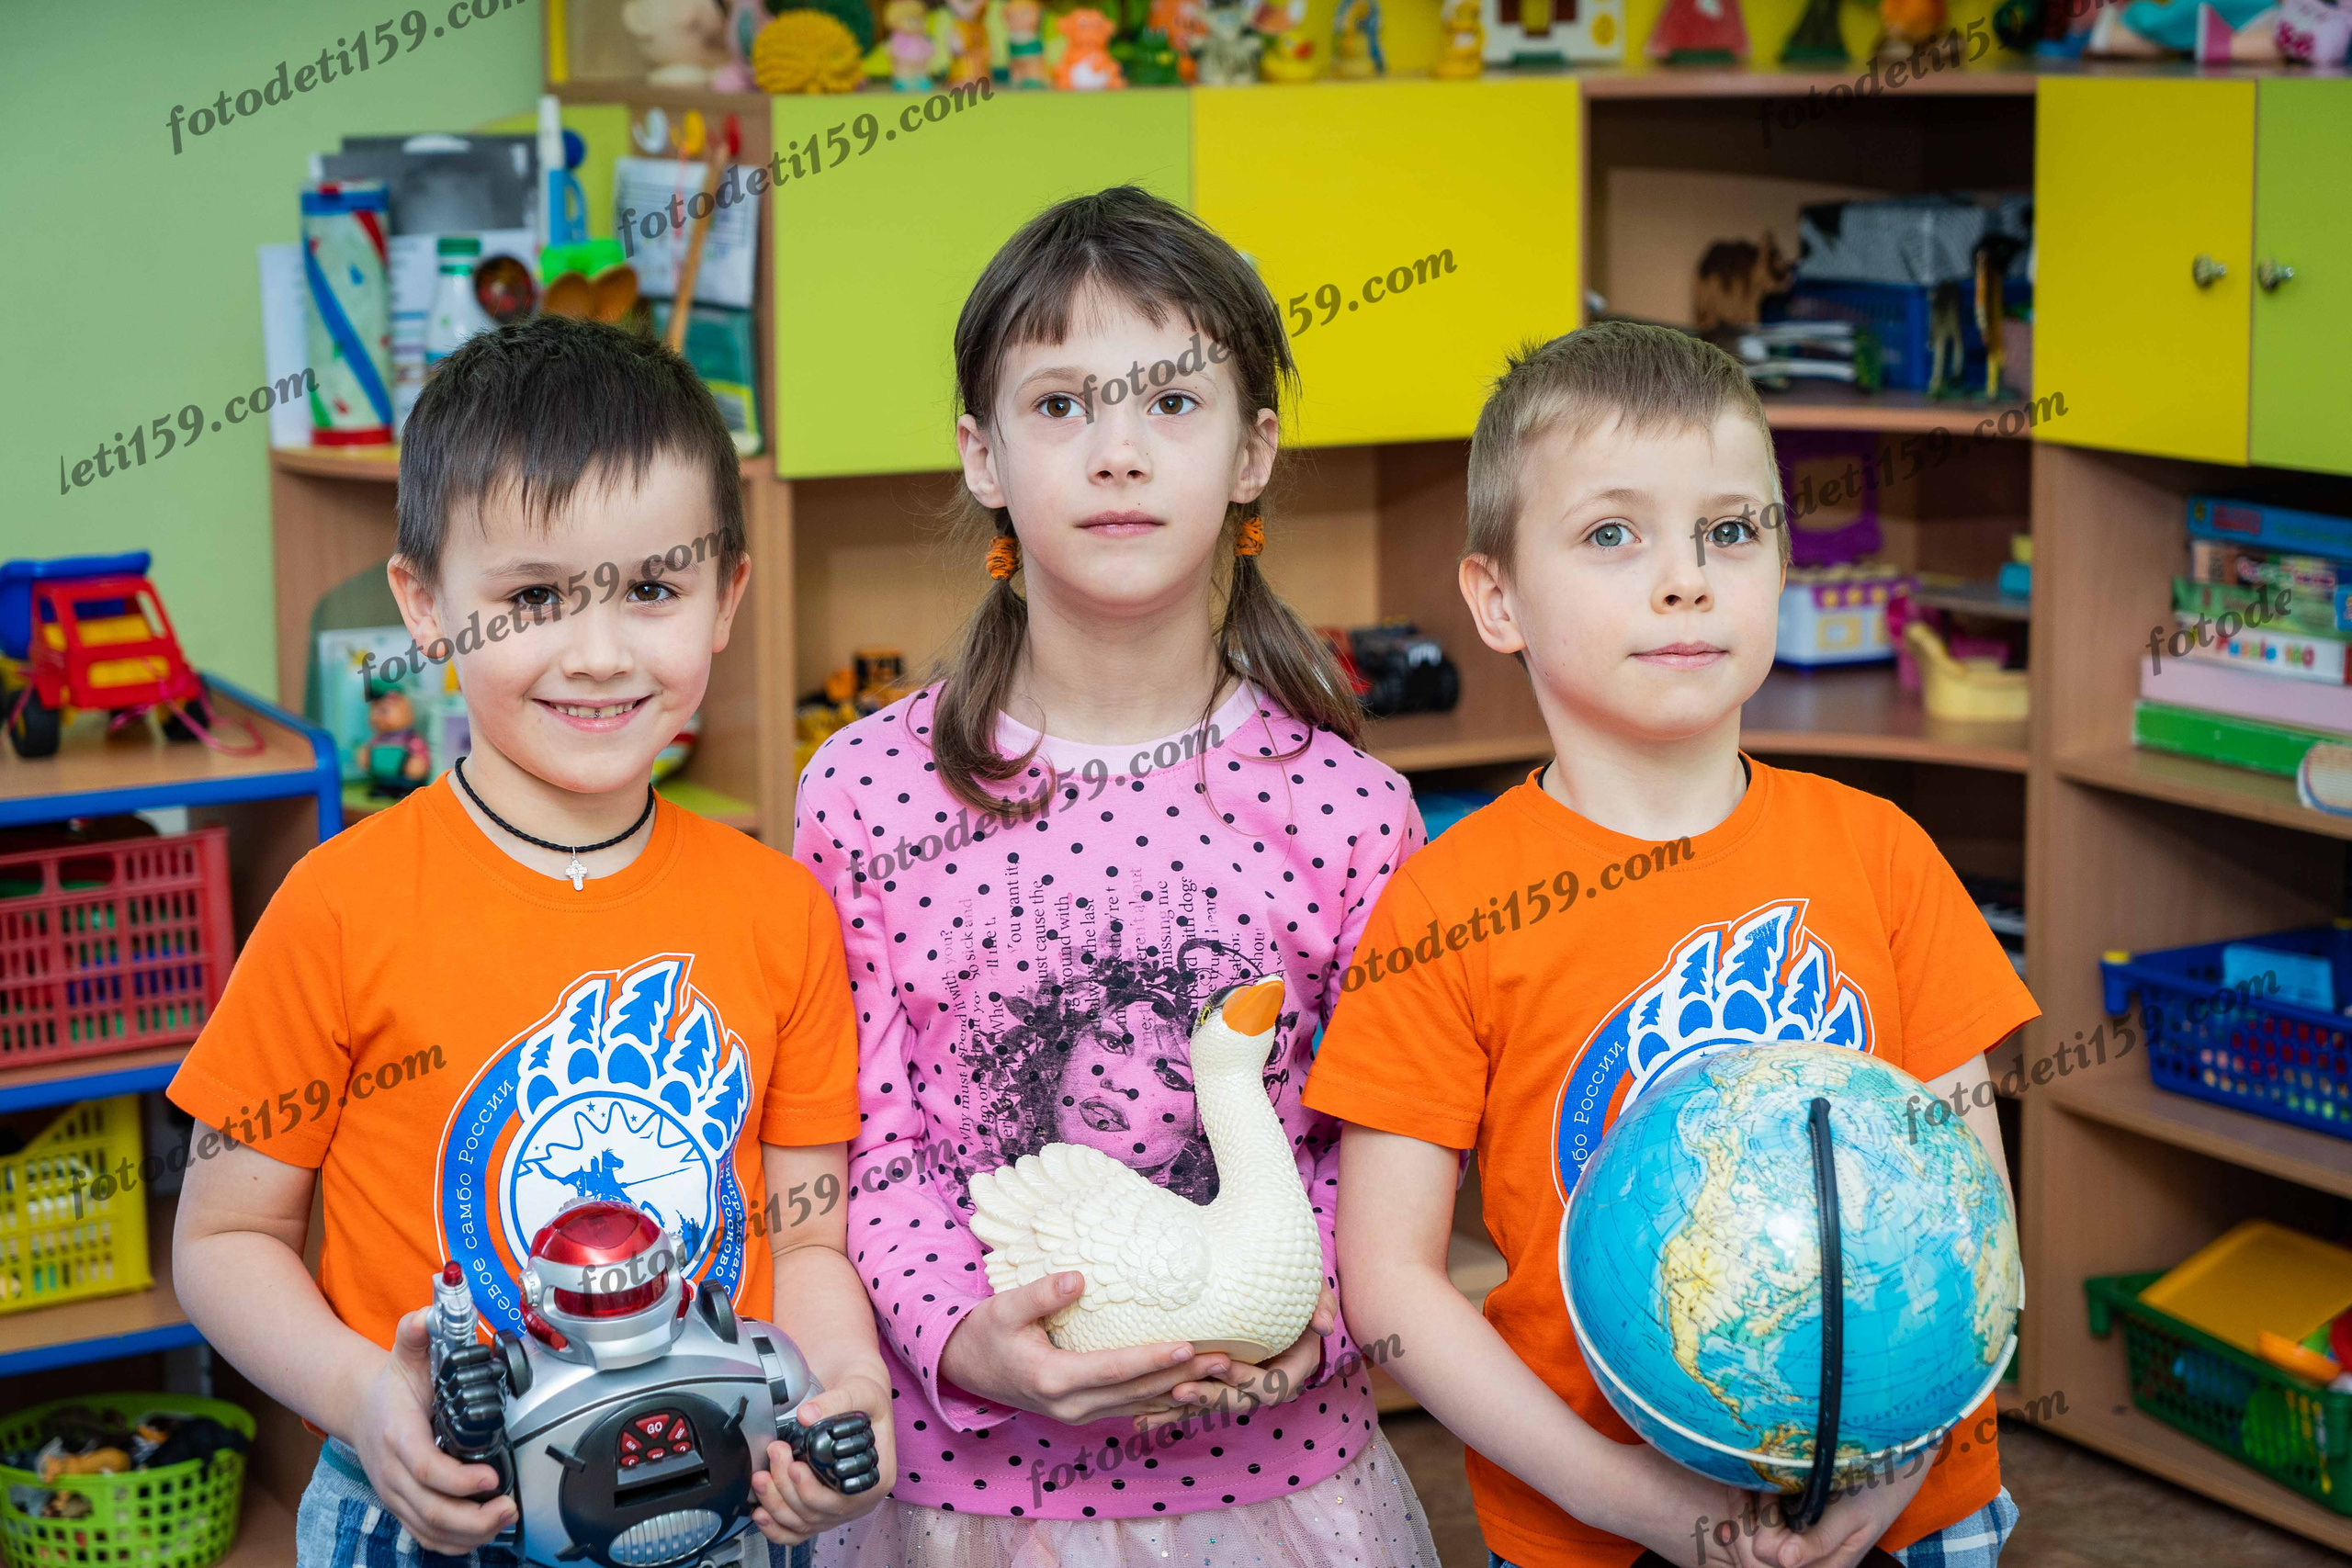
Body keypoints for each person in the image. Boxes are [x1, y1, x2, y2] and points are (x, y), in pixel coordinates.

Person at [1305, 321, 2037, 1568]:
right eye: (1612, 535)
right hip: (1596, 1525)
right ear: (1496, 599)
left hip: (1918, 1510)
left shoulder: (1882, 853)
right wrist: (1628, 1499)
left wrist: (1893, 1477)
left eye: (1732, 531)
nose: (1687, 579)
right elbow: (1390, 1290)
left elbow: (1979, 1220)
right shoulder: (1443, 905)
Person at [165, 316, 896, 1566]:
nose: (600, 652)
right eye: (535, 597)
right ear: (428, 608)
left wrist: (846, 1388)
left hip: (718, 1502)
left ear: (726, 598)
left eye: (654, 590)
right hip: (432, 1518)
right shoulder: (336, 904)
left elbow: (813, 1234)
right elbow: (224, 1240)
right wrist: (360, 1398)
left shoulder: (782, 909)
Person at [793, 186, 1441, 1568]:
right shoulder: (861, 791)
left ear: (1253, 451)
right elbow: (869, 1144)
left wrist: (1302, 1315)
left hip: (1278, 1487)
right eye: (1063, 405)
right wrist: (969, 1340)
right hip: (965, 1493)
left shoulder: (1352, 813)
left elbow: (1369, 1156)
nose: (1120, 453)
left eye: (1172, 403)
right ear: (982, 456)